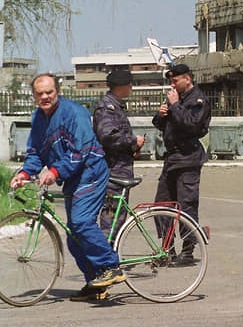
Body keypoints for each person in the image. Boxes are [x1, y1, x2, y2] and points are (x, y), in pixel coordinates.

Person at [10, 73, 126, 302]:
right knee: (73, 236)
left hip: (90, 170)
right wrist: (24, 173)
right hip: (72, 177)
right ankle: (94, 283)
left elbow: (80, 151)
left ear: (58, 91)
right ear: (34, 96)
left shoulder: (75, 112)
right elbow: (35, 152)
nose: (45, 97)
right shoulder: (38, 118)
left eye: (49, 92)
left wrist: (54, 172)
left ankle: (112, 266)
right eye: (40, 93)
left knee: (82, 223)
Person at [152, 63, 211, 264]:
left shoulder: (198, 100)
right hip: (172, 159)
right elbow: (160, 124)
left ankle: (188, 250)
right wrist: (161, 115)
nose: (172, 85)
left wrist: (175, 106)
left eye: (175, 81)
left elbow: (192, 126)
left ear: (187, 78)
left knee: (186, 205)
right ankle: (167, 249)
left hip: (188, 159)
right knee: (162, 204)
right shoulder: (176, 99)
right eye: (171, 81)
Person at [92, 69, 145, 240]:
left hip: (120, 169)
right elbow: (108, 137)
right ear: (121, 86)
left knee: (118, 220)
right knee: (111, 220)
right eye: (129, 84)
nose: (131, 87)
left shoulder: (115, 106)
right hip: (113, 172)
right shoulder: (107, 108)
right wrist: (133, 142)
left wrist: (132, 149)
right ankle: (106, 261)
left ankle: (112, 258)